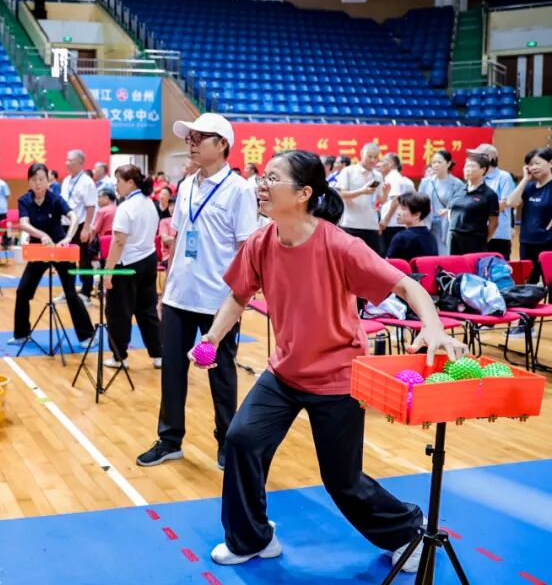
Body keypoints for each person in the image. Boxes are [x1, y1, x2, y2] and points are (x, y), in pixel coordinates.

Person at [197, 150, 462, 572]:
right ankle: (251, 538)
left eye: (272, 178)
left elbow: (408, 286)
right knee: (241, 440)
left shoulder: (340, 245)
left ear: (303, 193)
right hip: (284, 371)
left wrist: (433, 327)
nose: (260, 185)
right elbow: (237, 295)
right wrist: (212, 336)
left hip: (338, 377)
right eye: (261, 177)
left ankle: (407, 529)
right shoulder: (261, 242)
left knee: (343, 481)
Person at [137, 113, 259, 471]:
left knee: (221, 375)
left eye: (198, 137)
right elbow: (176, 240)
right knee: (172, 371)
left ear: (222, 145)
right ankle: (169, 439)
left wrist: (238, 300)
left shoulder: (240, 191)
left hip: (217, 302)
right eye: (189, 137)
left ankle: (227, 441)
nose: (190, 142)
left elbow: (246, 251)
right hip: (178, 297)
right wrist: (165, 290)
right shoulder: (187, 184)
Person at [8, 163, 95, 350]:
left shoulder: (56, 199)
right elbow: (23, 224)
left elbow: (73, 217)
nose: (38, 184)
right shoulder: (24, 200)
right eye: (34, 180)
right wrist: (41, 235)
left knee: (71, 293)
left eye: (41, 179)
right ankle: (21, 334)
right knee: (23, 291)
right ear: (29, 181)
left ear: (48, 180)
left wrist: (68, 237)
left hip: (60, 249)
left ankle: (88, 335)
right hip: (38, 250)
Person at [101, 165, 162, 368]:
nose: (116, 185)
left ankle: (119, 357)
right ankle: (158, 354)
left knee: (118, 312)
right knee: (148, 311)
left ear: (130, 182)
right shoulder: (149, 203)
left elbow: (118, 242)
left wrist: (108, 271)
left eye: (118, 181)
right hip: (149, 260)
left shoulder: (126, 208)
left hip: (127, 265)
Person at [506, 147, 552, 283]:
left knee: (550, 283)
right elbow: (511, 202)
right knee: (528, 286)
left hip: (548, 244)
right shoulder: (529, 187)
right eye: (530, 164)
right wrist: (525, 180)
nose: (533, 167)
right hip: (527, 243)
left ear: (550, 163)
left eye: (537, 163)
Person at [61, 150, 98, 303]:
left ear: (81, 163)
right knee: (66, 261)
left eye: (71, 161)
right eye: (67, 160)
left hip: (81, 225)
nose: (67, 163)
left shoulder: (87, 182)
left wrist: (86, 228)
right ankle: (69, 291)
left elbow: (90, 207)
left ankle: (86, 291)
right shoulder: (66, 180)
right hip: (66, 225)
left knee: (83, 259)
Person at [468, 144, 515, 259]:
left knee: (497, 271)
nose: (474, 158)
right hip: (477, 233)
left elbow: (504, 203)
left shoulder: (504, 177)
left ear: (489, 158)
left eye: (477, 156)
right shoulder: (476, 177)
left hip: (498, 235)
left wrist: (477, 210)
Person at [449, 152, 500, 256]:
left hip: (474, 239)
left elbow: (493, 222)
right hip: (453, 237)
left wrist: (483, 240)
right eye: (466, 166)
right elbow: (451, 210)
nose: (467, 169)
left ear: (483, 170)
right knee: (452, 270)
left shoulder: (489, 194)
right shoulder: (458, 189)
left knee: (471, 270)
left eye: (472, 166)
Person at [336, 143, 384, 254]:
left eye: (375, 157)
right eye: (369, 156)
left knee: (373, 261)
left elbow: (381, 200)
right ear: (362, 154)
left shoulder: (378, 175)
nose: (372, 160)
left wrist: (385, 193)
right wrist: (361, 191)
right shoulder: (348, 171)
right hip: (350, 224)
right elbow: (340, 194)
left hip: (371, 225)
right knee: (348, 260)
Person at [418, 150, 465, 255]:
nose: (435, 165)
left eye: (439, 162)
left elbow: (461, 206)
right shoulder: (426, 182)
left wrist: (448, 210)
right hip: (428, 223)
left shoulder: (457, 184)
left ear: (448, 163)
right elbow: (419, 202)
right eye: (433, 162)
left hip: (447, 225)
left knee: (444, 254)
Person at [377, 153, 416, 254]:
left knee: (389, 255)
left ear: (391, 163)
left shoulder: (393, 177)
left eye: (382, 161)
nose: (378, 164)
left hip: (392, 224)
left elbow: (396, 199)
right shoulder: (392, 177)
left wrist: (385, 220)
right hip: (394, 224)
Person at [385, 192, 438, 261]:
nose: (398, 212)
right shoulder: (432, 237)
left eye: (403, 209)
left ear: (417, 214)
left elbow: (390, 263)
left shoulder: (401, 237)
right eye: (398, 208)